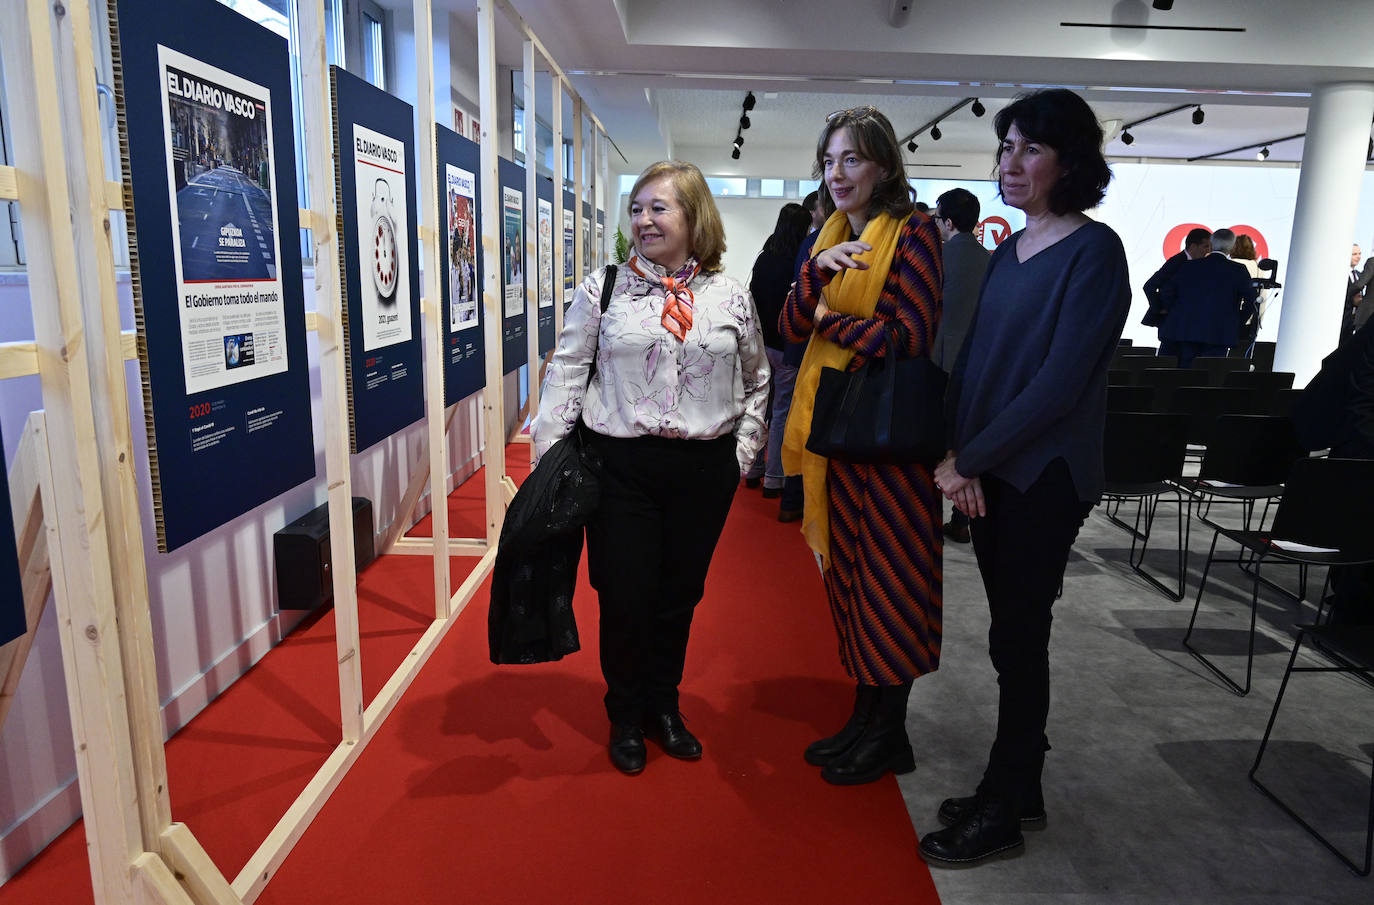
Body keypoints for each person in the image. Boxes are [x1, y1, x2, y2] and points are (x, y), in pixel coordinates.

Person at [920, 88, 1131, 866]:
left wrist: (967, 459)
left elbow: (1058, 384)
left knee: (1020, 635)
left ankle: (1004, 804)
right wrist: (959, 455)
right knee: (1009, 637)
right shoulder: (1010, 249)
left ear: (1068, 162)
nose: (1010, 163)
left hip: (1045, 475)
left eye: (1029, 149)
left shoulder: (1095, 251)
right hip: (989, 471)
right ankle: (1023, 784)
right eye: (1006, 147)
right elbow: (974, 363)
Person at [530, 160, 770, 775]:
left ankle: (665, 706)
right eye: (637, 209)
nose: (644, 220)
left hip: (702, 472)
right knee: (626, 597)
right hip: (621, 469)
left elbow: (758, 379)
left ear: (694, 216)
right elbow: (564, 375)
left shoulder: (731, 295)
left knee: (677, 598)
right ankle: (625, 714)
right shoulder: (602, 289)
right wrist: (549, 465)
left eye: (658, 208)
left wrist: (739, 454)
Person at [780, 106, 944, 786]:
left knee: (890, 587)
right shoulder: (830, 235)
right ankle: (865, 718)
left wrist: (833, 321)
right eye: (829, 160)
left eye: (852, 159)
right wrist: (817, 280)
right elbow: (791, 325)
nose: (838, 172)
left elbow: (910, 336)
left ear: (883, 166)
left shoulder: (916, 232)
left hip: (890, 444)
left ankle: (891, 732)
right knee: (849, 580)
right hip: (838, 436)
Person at [932, 187, 991, 544]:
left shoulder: (937, 258)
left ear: (948, 222)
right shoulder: (991, 259)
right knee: (965, 442)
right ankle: (961, 518)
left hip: (937, 362)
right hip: (976, 365)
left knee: (933, 443)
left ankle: (929, 514)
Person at [745, 202, 813, 497]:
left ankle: (753, 469)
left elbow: (753, 300)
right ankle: (774, 478)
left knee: (759, 406)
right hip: (788, 347)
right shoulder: (800, 262)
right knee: (781, 412)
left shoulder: (764, 258)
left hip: (761, 346)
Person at [1155, 227, 1257, 366]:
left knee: (1185, 377)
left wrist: (1175, 312)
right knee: (1210, 379)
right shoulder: (1238, 270)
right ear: (1232, 247)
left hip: (1186, 331)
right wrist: (1236, 321)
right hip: (1219, 334)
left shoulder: (1189, 266)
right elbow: (1251, 300)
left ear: (1211, 244)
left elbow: (1167, 291)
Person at [1142, 227, 1209, 334]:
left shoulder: (1196, 264)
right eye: (1205, 246)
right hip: (1170, 323)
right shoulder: (1176, 262)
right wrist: (1159, 309)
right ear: (1193, 246)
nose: (1208, 251)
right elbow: (1149, 286)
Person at [1230, 233, 1267, 353]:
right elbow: (1262, 297)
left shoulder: (1230, 264)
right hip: (1250, 319)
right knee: (1242, 355)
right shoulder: (1258, 268)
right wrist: (1259, 320)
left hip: (1230, 316)